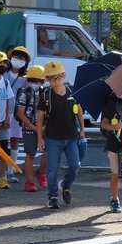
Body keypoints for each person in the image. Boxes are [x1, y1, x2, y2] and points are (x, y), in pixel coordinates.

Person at [36, 60, 86, 209]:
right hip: (52, 138)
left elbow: (79, 111)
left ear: (64, 76)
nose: (55, 81)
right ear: (46, 79)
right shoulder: (46, 95)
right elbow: (39, 117)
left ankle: (65, 185)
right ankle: (52, 196)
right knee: (51, 169)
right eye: (51, 78)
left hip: (71, 137)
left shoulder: (72, 92)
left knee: (75, 165)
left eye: (58, 77)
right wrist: (39, 138)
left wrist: (82, 129)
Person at [15, 65, 48, 193]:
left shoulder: (45, 93)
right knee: (31, 153)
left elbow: (50, 111)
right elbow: (20, 113)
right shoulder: (25, 92)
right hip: (30, 128)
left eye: (37, 81)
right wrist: (35, 127)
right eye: (32, 80)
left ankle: (40, 173)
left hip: (42, 127)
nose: (35, 84)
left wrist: (42, 127)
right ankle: (29, 181)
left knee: (46, 151)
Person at [4, 46, 31, 185]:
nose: (18, 60)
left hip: (17, 115)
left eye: (22, 58)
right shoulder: (4, 74)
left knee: (14, 141)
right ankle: (0, 171)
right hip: (2, 112)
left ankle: (10, 171)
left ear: (26, 62)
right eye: (16, 57)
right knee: (0, 143)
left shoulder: (25, 79)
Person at [100, 91, 122, 214]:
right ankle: (114, 199)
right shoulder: (115, 102)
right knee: (116, 175)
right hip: (115, 144)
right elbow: (104, 123)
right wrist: (115, 127)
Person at [0, 51, 15, 190]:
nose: (3, 66)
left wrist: (7, 118)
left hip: (3, 122)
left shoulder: (5, 82)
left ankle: (2, 177)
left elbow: (6, 101)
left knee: (4, 151)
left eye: (5, 63)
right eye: (0, 63)